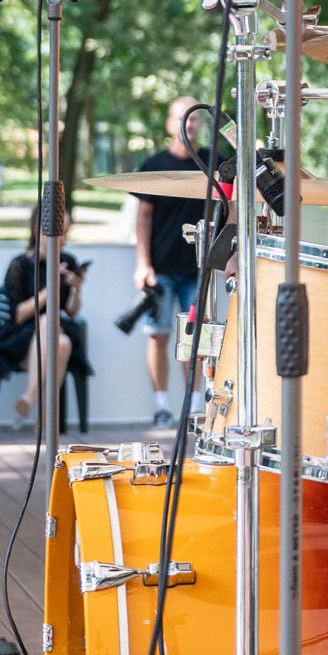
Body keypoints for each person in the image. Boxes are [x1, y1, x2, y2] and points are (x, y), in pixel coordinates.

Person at [133, 96, 209, 428]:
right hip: (161, 269)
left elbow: (231, 210)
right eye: (182, 118)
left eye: (194, 118)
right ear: (169, 124)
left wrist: (230, 256)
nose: (188, 124)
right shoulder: (154, 164)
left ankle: (194, 407)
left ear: (200, 124)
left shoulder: (215, 161)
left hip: (198, 269)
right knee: (158, 335)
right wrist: (142, 264)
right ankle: (162, 407)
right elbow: (143, 217)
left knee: (196, 339)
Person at [0, 202, 91, 422]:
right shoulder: (20, 265)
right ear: (38, 230)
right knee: (51, 325)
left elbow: (72, 311)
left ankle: (31, 400)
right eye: (60, 232)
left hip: (56, 332)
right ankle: (46, 420)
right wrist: (51, 287)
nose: (64, 239)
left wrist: (76, 288)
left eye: (66, 232)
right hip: (22, 337)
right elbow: (19, 315)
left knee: (61, 340)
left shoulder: (68, 261)